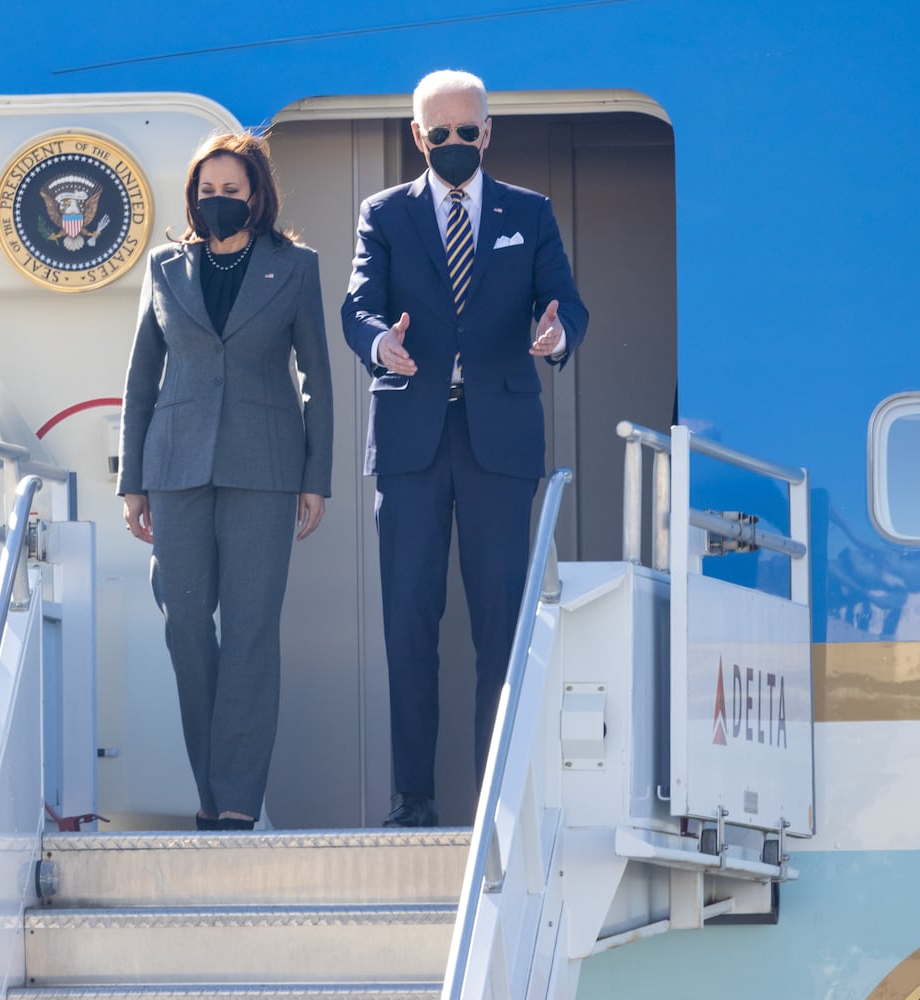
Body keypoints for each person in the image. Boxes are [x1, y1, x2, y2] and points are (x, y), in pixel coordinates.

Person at [341, 70, 589, 828]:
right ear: (417, 136)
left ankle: (493, 798)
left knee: (499, 622)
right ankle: (411, 799)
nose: (454, 144)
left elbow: (568, 305)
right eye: (438, 133)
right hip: (414, 439)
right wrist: (382, 343)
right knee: (408, 622)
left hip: (498, 442)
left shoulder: (529, 212)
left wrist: (555, 336)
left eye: (466, 131)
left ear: (488, 130)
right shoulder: (383, 213)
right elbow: (357, 306)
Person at [118, 132, 332, 832]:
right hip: (174, 469)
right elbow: (139, 380)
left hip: (264, 472)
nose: (216, 202)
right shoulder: (164, 267)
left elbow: (317, 381)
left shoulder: (295, 267)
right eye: (206, 191)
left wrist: (315, 478)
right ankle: (208, 789)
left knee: (249, 631)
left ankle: (233, 803)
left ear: (256, 196)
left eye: (229, 191)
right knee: (184, 626)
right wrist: (133, 481)